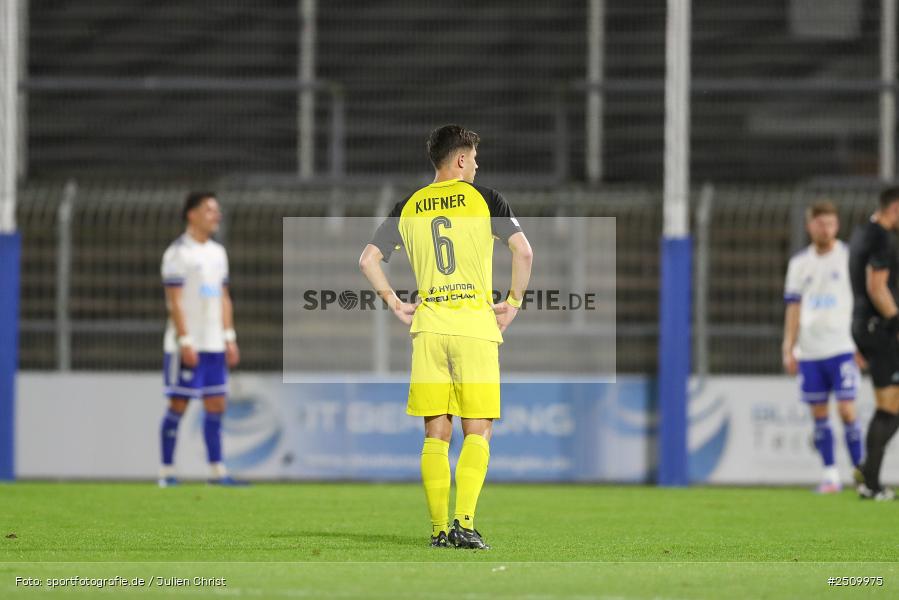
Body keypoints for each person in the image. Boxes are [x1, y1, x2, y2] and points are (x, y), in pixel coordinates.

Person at [359, 125, 533, 548]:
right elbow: (524, 251)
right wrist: (512, 301)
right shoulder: (485, 199)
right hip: (474, 324)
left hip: (430, 326)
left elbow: (367, 259)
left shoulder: (410, 204)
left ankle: (439, 530)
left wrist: (396, 302)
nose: (476, 164)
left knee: (436, 433)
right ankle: (465, 524)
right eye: (473, 157)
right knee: (478, 429)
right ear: (459, 159)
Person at [159, 192, 243, 487]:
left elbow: (223, 296)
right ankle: (167, 472)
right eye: (209, 210)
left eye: (217, 210)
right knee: (179, 404)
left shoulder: (218, 253)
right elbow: (175, 301)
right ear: (191, 214)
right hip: (188, 344)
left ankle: (217, 471)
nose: (216, 215)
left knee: (216, 404)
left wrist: (229, 337)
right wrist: (185, 341)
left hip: (214, 343)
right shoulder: (178, 254)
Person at [782, 200, 862, 493]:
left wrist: (861, 342)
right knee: (819, 414)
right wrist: (788, 346)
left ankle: (861, 472)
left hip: (842, 346)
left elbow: (863, 300)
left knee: (847, 410)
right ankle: (830, 475)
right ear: (810, 226)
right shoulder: (799, 264)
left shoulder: (849, 258)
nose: (825, 229)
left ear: (837, 225)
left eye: (830, 223)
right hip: (810, 351)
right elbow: (793, 308)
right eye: (819, 224)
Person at [849, 186, 899, 500]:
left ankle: (869, 472)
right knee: (887, 405)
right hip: (879, 327)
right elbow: (876, 286)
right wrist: (895, 320)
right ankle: (870, 482)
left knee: (892, 404)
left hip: (864, 325)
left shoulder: (861, 233)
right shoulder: (881, 237)